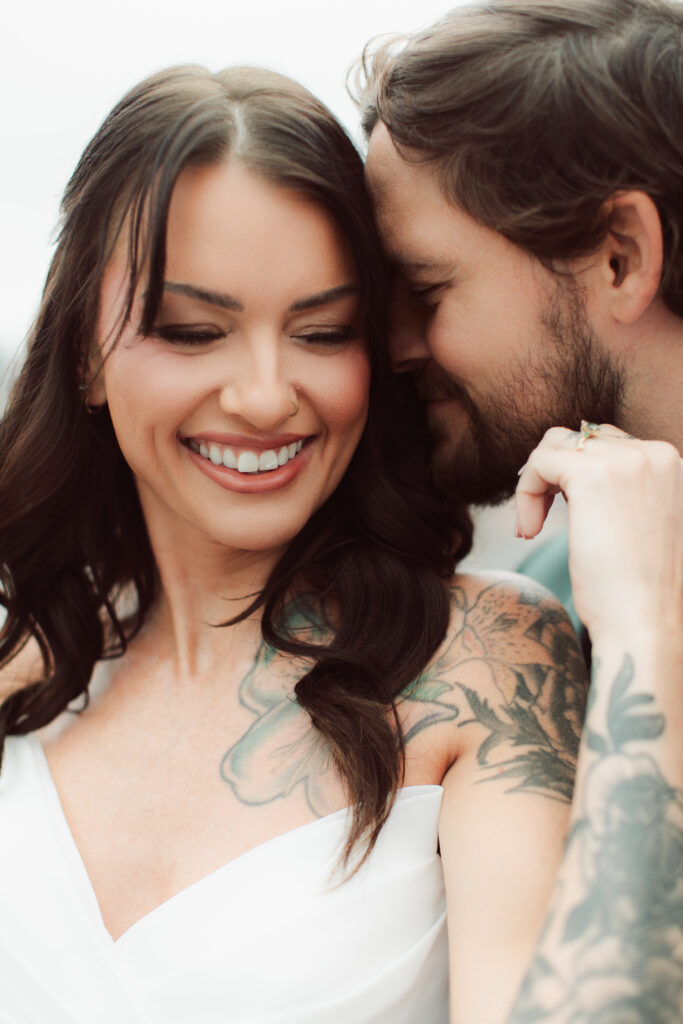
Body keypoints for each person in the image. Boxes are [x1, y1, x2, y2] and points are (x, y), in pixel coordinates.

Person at [0, 65, 588, 1023]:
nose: (267, 394)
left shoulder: (486, 661)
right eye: (193, 332)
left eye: (323, 332)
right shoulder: (25, 666)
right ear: (81, 356)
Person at [359, 0, 683, 1019]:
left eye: (426, 286)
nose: (395, 345)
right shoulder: (539, 592)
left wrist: (646, 627)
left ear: (619, 256)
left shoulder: (601, 600)